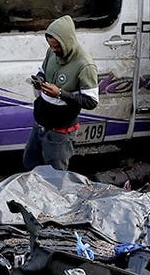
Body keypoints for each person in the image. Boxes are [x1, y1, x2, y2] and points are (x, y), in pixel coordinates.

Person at [23, 15, 99, 171]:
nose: (54, 50)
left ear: (67, 41)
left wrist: (60, 94)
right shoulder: (51, 52)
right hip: (41, 123)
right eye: (51, 46)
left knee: (55, 174)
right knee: (30, 164)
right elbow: (42, 70)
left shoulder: (85, 65)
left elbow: (91, 101)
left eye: (57, 47)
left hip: (60, 131)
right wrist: (39, 79)